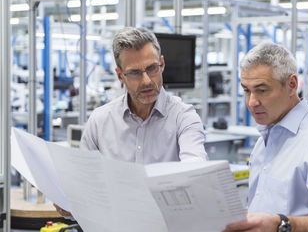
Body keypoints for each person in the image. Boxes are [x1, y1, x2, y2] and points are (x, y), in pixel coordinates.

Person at [55, 27, 208, 217]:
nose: (146, 81)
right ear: (120, 75)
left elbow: (195, 167)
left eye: (152, 68)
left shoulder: (184, 117)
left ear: (161, 64)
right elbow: (85, 180)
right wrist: (72, 200)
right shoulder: (100, 121)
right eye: (135, 73)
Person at [221, 41, 308, 232]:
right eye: (246, 90)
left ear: (292, 85)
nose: (252, 102)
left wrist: (281, 225)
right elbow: (266, 213)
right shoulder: (264, 140)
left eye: (262, 90)